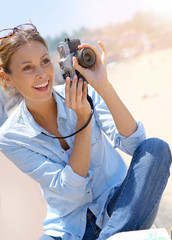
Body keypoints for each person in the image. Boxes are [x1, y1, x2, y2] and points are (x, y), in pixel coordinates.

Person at [0, 23, 171, 240]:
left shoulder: (85, 91)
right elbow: (70, 191)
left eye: (45, 62)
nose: (42, 74)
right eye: (28, 68)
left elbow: (136, 145)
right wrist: (84, 119)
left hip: (120, 209)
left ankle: (112, 235)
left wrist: (103, 85)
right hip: (68, 229)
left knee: (155, 148)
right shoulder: (10, 137)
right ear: (7, 78)